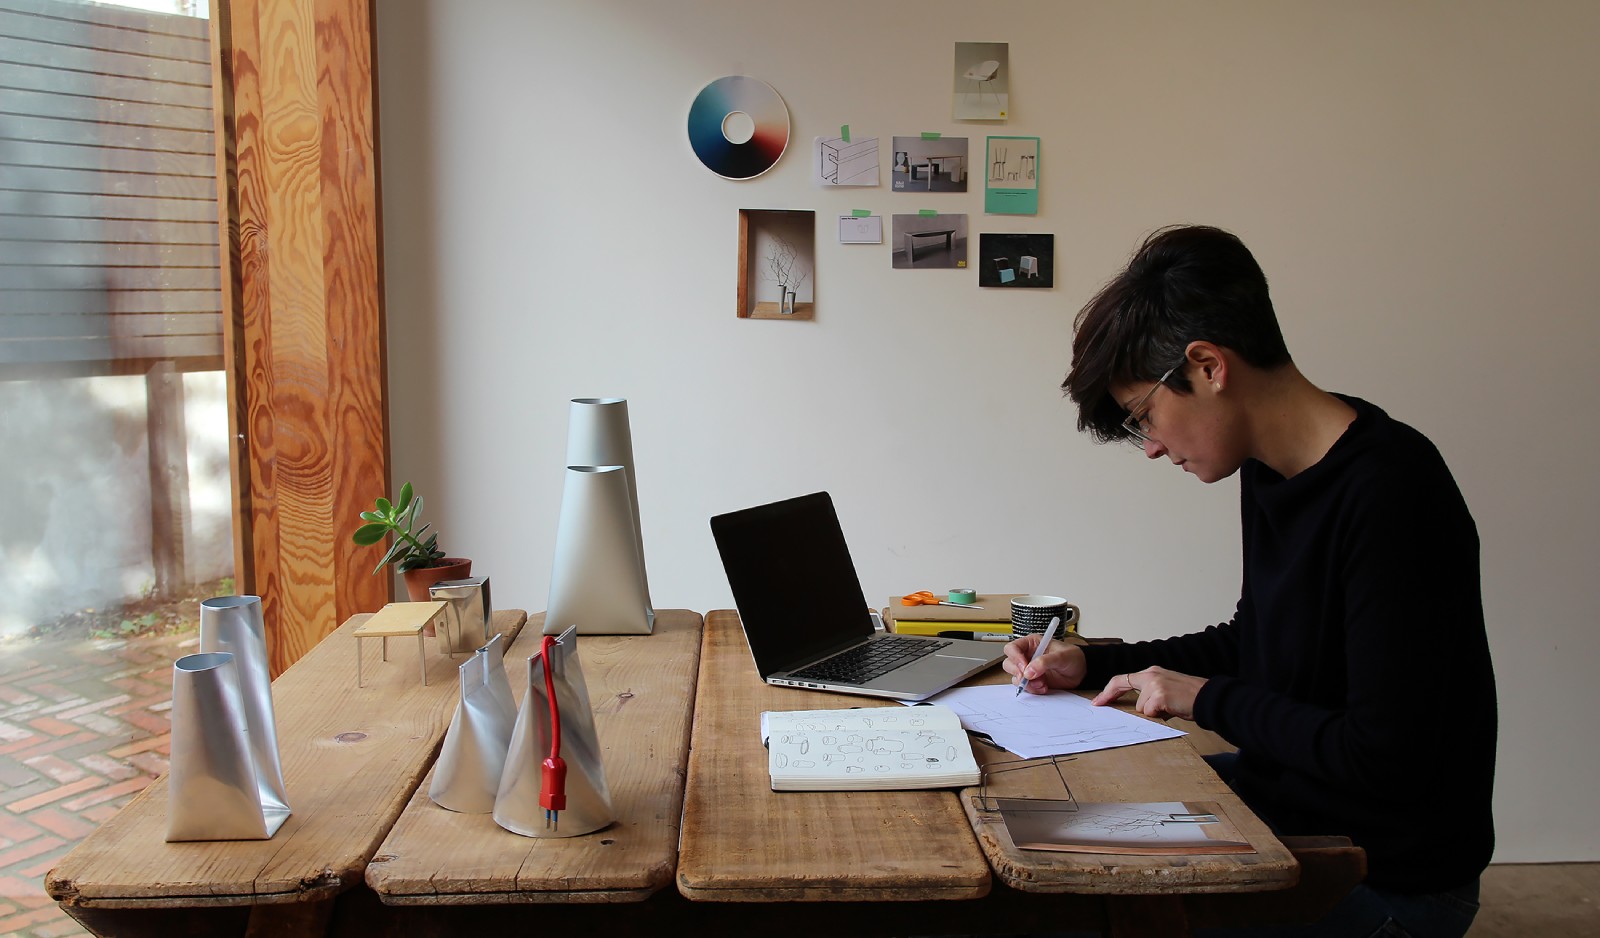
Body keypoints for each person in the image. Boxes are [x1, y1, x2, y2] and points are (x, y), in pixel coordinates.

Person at [1003, 225, 1496, 938]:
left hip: (1386, 870)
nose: (1152, 447)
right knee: (1038, 838)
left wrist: (1205, 699)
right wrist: (1094, 663)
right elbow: (1256, 640)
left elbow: (1383, 756)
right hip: (1290, 804)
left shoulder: (1393, 493)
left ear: (1207, 366)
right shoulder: (1270, 468)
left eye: (1145, 416)